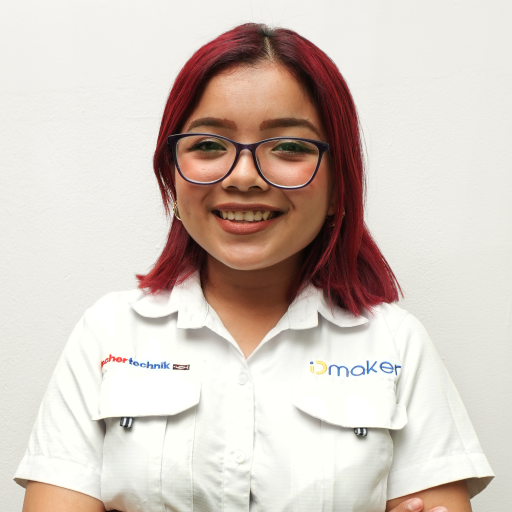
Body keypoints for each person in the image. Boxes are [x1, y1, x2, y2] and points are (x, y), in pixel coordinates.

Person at [15, 23, 493, 512]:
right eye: (208, 145)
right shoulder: (108, 333)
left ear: (339, 186)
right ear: (171, 176)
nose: (243, 177)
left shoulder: (395, 343)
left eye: (289, 147)